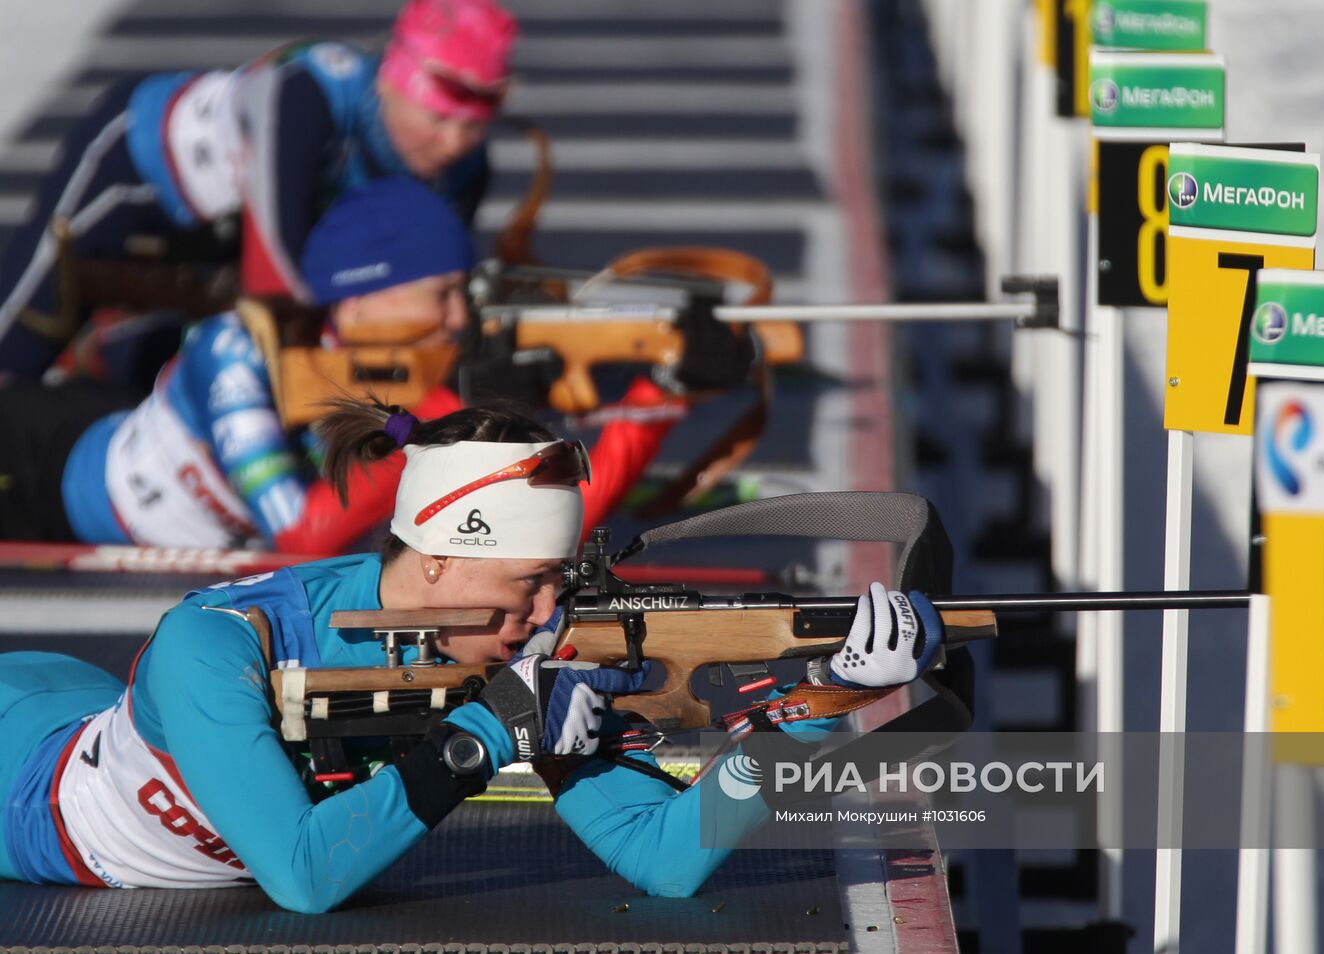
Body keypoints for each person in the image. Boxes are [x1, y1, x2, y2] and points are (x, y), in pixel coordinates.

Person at [0, 396, 948, 909]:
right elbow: (301, 875)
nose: (544, 615)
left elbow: (664, 859)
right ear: (445, 558)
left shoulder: (513, 649)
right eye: (527, 583)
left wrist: (821, 706)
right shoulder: (214, 646)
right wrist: (485, 736)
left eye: (556, 586)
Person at [0, 176, 680, 553]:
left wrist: (663, 394)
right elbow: (299, 532)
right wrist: (450, 415)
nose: (455, 320)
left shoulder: (417, 374)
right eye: (440, 295)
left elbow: (544, 524)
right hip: (40, 469)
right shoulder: (234, 351)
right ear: (359, 298)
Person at [0, 0, 516, 379]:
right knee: (21, 341)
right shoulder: (307, 92)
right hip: (137, 172)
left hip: (230, 233)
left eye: (473, 128)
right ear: (390, 81)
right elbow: (276, 267)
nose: (452, 144)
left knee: (177, 364)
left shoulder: (468, 167)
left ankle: (106, 362)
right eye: (438, 119)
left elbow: (431, 289)